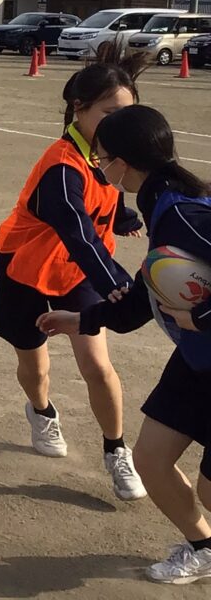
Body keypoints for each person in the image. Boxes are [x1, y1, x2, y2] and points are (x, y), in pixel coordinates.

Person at [38, 105, 211, 584]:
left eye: (101, 159)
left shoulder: (185, 213)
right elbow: (145, 295)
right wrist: (83, 320)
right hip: (197, 361)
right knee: (150, 459)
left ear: (123, 162)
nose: (99, 168)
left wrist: (202, 316)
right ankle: (204, 548)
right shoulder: (164, 204)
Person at [0, 45, 149, 501]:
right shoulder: (61, 166)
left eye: (127, 114)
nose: (120, 124)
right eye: (110, 114)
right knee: (35, 368)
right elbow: (78, 234)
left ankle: (116, 450)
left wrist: (122, 218)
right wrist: (120, 288)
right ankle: (41, 411)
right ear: (79, 110)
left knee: (97, 366)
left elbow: (110, 192)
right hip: (25, 270)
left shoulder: (110, 153)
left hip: (78, 275)